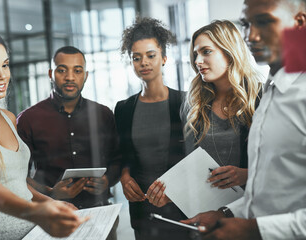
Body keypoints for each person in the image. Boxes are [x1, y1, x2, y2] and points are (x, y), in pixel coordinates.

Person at [182, 0, 306, 239]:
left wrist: (254, 229)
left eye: (264, 21)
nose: (251, 36)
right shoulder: (273, 92)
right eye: (246, 24)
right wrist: (226, 214)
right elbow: (268, 191)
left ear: (299, 24)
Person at [0, 28, 85, 239]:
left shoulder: (8, 118)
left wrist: (51, 203)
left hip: (29, 234)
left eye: (5, 64)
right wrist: (38, 213)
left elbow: (14, 184)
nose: (3, 75)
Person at [16, 46, 120, 239]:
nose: (70, 77)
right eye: (62, 70)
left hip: (100, 214)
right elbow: (17, 175)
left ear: (86, 75)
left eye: (77, 71)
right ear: (50, 74)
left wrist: (107, 181)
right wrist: (50, 192)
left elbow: (117, 159)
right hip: (52, 218)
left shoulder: (103, 114)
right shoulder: (28, 119)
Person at [114, 17, 187, 240]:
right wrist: (124, 177)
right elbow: (122, 155)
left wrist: (174, 192)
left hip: (181, 208)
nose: (144, 62)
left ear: (164, 58)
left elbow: (194, 157)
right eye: (137, 58)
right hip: (142, 210)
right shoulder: (124, 109)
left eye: (151, 55)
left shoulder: (185, 103)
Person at [181, 20, 262, 190]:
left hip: (252, 208)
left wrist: (246, 174)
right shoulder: (195, 104)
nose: (198, 61)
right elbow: (190, 165)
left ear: (230, 52)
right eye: (196, 54)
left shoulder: (261, 97)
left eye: (206, 52)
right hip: (206, 208)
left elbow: (283, 162)